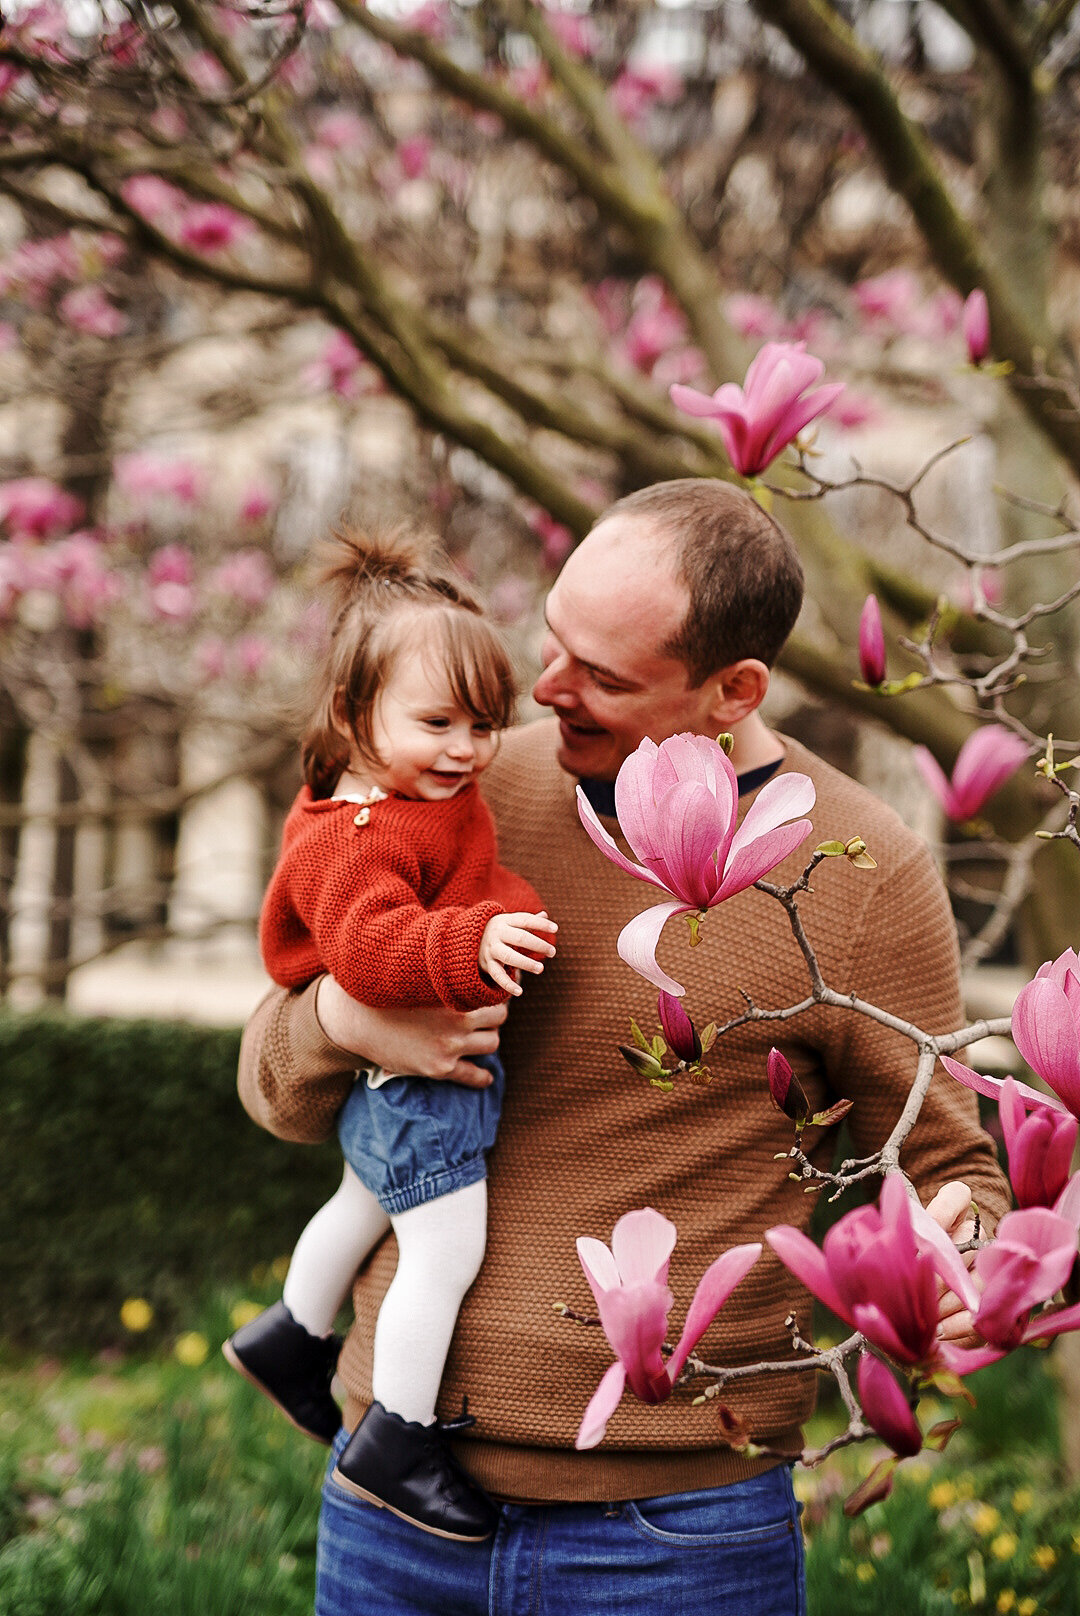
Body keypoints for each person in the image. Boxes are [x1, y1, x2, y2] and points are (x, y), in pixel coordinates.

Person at [237, 480, 1009, 1616]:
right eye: (552, 638)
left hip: (674, 1540)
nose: (544, 688)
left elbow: (957, 1165)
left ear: (732, 689)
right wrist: (343, 1023)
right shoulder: (466, 780)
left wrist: (969, 1250)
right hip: (390, 1513)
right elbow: (272, 1076)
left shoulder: (860, 868)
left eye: (601, 673)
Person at [225, 525, 557, 1542]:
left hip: (407, 1081)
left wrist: (501, 905)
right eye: (439, 720)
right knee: (444, 1249)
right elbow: (373, 950)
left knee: (364, 1197)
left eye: (487, 721)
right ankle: (398, 1437)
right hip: (417, 1078)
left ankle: (290, 1334)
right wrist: (473, 939)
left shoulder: (421, 800)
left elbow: (462, 873)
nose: (468, 746)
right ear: (354, 714)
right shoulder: (356, 832)